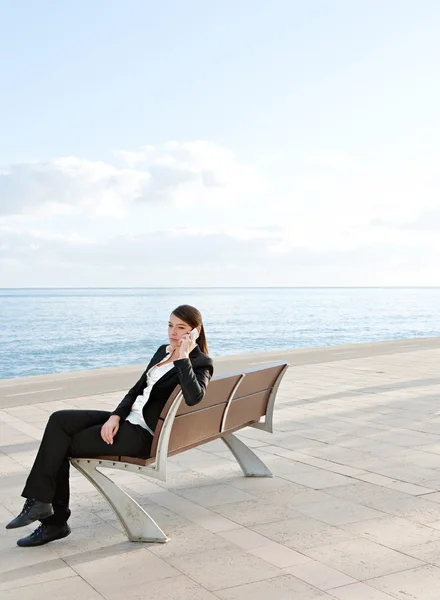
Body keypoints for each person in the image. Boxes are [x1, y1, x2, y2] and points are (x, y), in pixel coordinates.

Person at [6, 304, 214, 547]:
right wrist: (115, 416)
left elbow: (194, 397)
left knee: (59, 444)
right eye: (170, 325)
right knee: (59, 419)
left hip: (143, 434)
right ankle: (43, 507)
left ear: (195, 332)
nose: (173, 332)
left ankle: (53, 521)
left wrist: (183, 358)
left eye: (181, 328)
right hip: (127, 419)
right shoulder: (162, 351)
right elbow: (137, 389)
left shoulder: (200, 362)